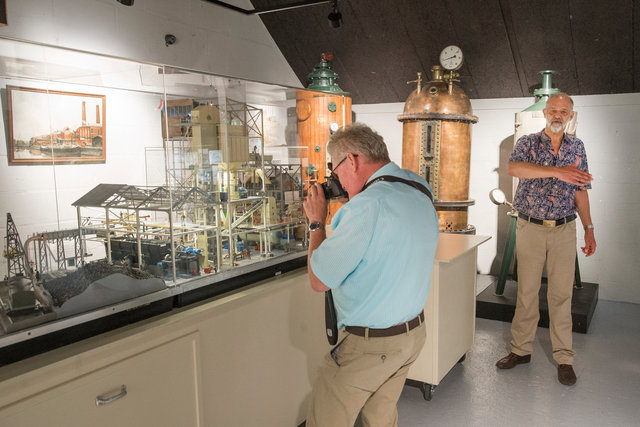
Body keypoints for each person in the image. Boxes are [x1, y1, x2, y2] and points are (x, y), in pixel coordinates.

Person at [303, 123, 439, 426]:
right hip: (412, 335)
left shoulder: (365, 208)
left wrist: (316, 222)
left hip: (372, 346)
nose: (336, 179)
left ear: (351, 161)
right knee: (380, 417)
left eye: (335, 170)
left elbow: (319, 279)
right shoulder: (418, 186)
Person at [496, 92, 596, 386]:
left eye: (564, 111)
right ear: (545, 113)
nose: (557, 115)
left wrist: (589, 227)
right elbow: (515, 169)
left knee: (561, 295)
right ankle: (521, 351)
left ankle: (564, 357)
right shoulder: (527, 142)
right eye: (553, 110)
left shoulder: (577, 146)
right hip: (530, 227)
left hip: (564, 229)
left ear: (570, 116)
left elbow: (581, 189)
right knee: (526, 293)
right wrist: (557, 172)